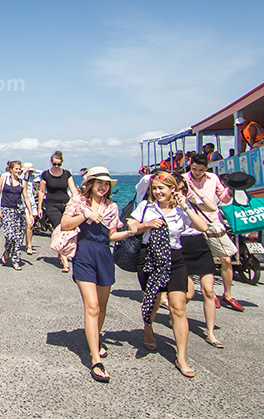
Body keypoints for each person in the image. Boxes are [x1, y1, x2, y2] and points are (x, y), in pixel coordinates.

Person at [126, 170, 210, 378]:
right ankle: (149, 326)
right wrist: (146, 225)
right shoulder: (146, 207)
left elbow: (203, 226)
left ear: (173, 189)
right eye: (154, 188)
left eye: (161, 188)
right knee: (152, 301)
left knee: (178, 307)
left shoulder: (180, 210)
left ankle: (181, 356)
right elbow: (132, 225)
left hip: (175, 257)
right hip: (150, 257)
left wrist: (187, 207)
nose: (157, 192)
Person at [61, 167, 133, 383]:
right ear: (89, 184)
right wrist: (86, 215)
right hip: (84, 253)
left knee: (101, 306)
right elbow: (65, 224)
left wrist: (132, 231)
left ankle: (96, 338)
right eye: (99, 182)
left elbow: (111, 235)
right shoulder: (78, 202)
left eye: (106, 183)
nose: (103, 186)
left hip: (104, 254)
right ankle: (95, 359)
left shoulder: (112, 207)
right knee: (91, 306)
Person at [183, 153, 244, 315]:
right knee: (201, 263)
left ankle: (228, 294)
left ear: (207, 169)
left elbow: (223, 199)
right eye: (194, 168)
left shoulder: (213, 178)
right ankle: (208, 292)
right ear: (190, 164)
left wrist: (232, 189)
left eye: (200, 170)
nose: (196, 172)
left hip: (213, 223)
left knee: (226, 258)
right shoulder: (183, 179)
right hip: (193, 224)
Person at [38, 150, 79, 272]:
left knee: (67, 230)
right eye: (54, 164)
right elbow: (41, 191)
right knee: (61, 229)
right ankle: (66, 262)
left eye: (59, 164)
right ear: (51, 163)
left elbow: (73, 190)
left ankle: (61, 252)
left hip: (66, 205)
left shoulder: (67, 174)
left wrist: (78, 202)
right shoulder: (46, 175)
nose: (56, 166)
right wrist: (40, 207)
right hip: (52, 205)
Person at [0, 161, 26, 270]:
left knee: (18, 237)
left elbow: (26, 198)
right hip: (7, 210)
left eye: (20, 169)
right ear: (11, 169)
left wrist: (30, 213)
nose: (18, 171)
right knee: (9, 235)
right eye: (16, 169)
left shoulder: (22, 182)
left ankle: (16, 260)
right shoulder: (4, 179)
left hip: (19, 211)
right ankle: (7, 249)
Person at [20, 162, 37, 254]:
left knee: (31, 225)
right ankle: (28, 246)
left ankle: (28, 244)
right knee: (29, 224)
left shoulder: (32, 177)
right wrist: (23, 172)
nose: (29, 173)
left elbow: (41, 174)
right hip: (23, 202)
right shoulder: (20, 178)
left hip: (32, 202)